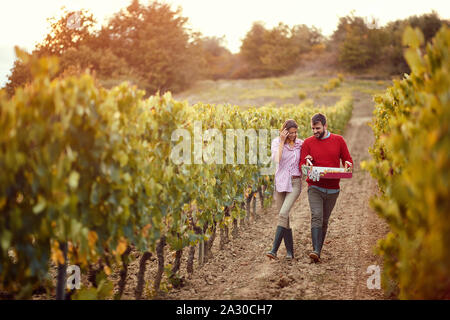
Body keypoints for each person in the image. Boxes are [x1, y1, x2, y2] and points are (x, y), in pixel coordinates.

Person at [299, 113, 353, 263]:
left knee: (324, 220)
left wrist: (348, 167)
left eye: (317, 128)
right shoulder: (308, 143)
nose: (315, 131)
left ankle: (318, 250)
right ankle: (315, 250)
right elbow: (302, 165)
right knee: (316, 215)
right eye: (313, 128)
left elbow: (347, 159)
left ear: (325, 126)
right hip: (315, 187)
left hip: (333, 189)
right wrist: (307, 164)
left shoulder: (339, 140)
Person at [266, 119, 303, 261]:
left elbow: (306, 158)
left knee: (282, 214)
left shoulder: (300, 144)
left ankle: (274, 250)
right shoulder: (276, 142)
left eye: (295, 132)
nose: (293, 135)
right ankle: (289, 252)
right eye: (291, 133)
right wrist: (282, 141)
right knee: (284, 217)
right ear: (285, 131)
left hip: (294, 183)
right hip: (280, 182)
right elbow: (277, 159)